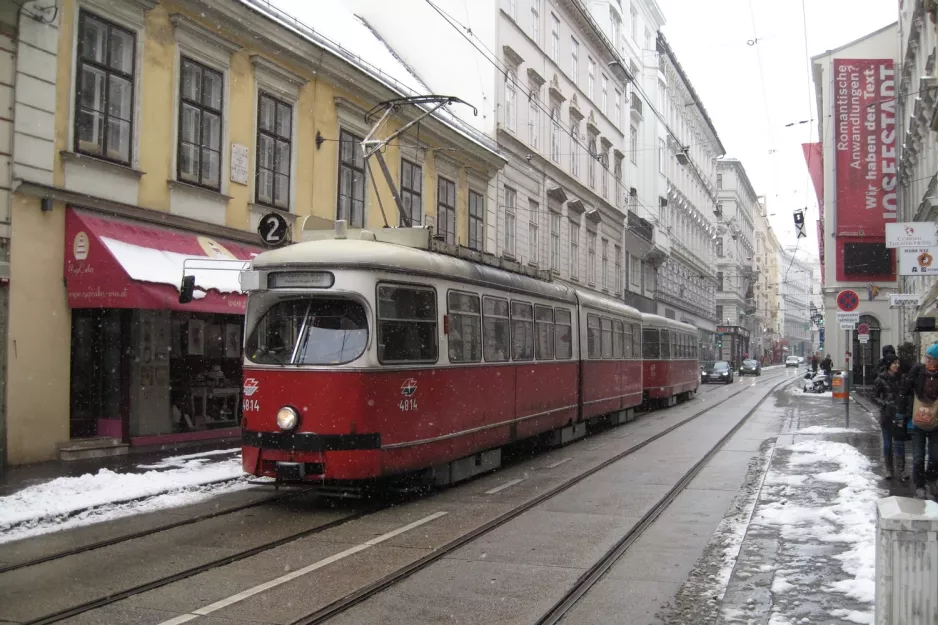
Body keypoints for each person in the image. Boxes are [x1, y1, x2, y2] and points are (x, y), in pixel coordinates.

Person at [897, 342, 938, 499]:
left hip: (936, 422)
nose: (927, 361)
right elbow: (904, 390)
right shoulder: (917, 371)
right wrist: (901, 413)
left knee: (935, 456)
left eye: (931, 358)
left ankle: (932, 479)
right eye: (926, 357)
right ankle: (920, 486)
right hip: (917, 421)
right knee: (918, 456)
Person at [873, 354, 907, 480]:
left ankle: (902, 470)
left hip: (899, 414)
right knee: (888, 444)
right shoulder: (880, 379)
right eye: (894, 363)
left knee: (899, 443)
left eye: (898, 363)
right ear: (888, 365)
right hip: (886, 415)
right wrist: (885, 404)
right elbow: (874, 396)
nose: (897, 365)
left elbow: (906, 394)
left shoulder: (902, 378)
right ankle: (889, 469)